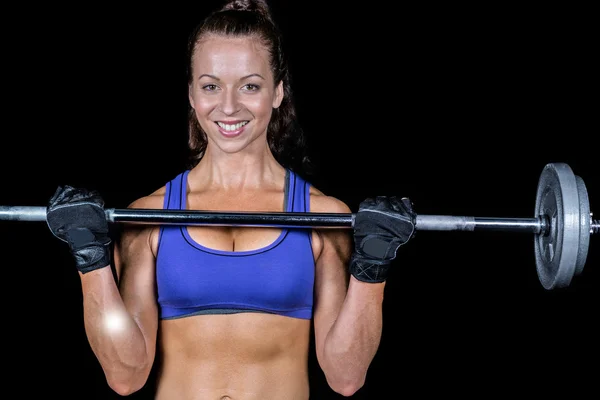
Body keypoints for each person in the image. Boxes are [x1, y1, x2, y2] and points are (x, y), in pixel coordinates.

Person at [45, 1, 417, 398]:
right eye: (210, 86)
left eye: (250, 86)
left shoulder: (322, 216)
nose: (228, 106)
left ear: (278, 92)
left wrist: (372, 264)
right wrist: (91, 259)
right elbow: (125, 374)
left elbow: (345, 376)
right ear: (191, 93)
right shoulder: (149, 216)